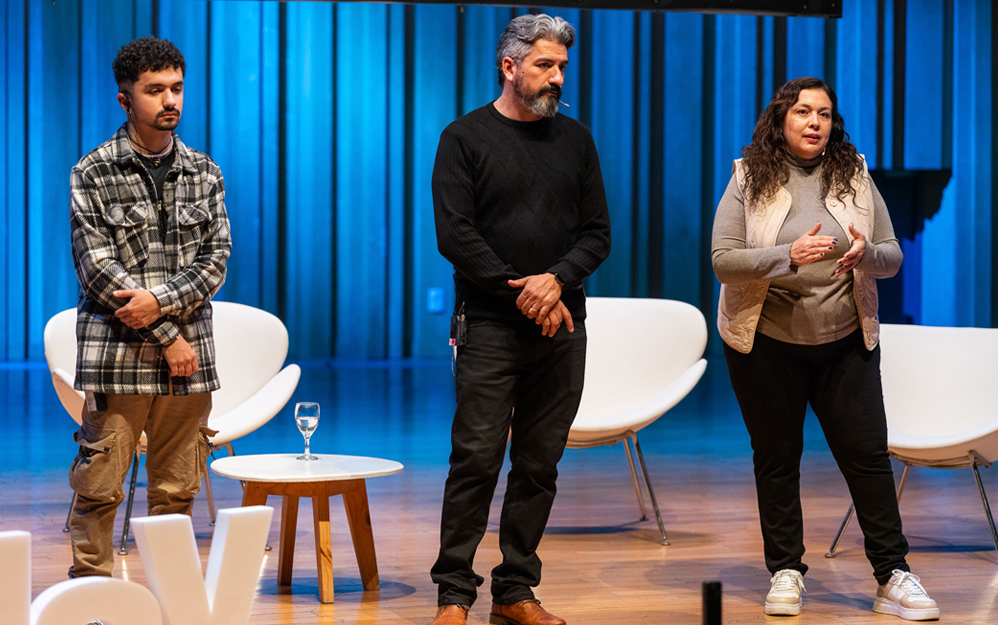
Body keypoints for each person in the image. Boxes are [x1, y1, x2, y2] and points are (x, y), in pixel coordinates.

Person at [711, 77, 938, 621]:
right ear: (781, 119)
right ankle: (786, 570)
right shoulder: (748, 176)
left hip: (845, 341)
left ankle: (892, 575)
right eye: (803, 112)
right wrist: (786, 255)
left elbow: (891, 255)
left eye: (825, 114)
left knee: (867, 458)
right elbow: (724, 261)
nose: (815, 122)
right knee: (776, 458)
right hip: (765, 342)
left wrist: (865, 254)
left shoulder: (854, 173)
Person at [430, 13, 611, 625]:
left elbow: (597, 234)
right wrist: (527, 292)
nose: (557, 77)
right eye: (544, 65)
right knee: (476, 459)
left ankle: (514, 590)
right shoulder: (464, 138)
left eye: (562, 66)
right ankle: (454, 594)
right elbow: (457, 236)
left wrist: (556, 281)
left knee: (538, 464)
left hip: (562, 326)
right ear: (509, 67)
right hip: (488, 326)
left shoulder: (576, 141)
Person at [67, 36, 231, 578]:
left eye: (177, 88)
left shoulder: (205, 172)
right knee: (99, 486)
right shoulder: (93, 171)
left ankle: (170, 594)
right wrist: (168, 336)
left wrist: (158, 302)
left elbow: (215, 262)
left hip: (190, 360)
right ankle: (89, 592)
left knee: (178, 487)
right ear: (125, 99)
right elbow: (98, 270)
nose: (170, 100)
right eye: (155, 90)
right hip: (122, 355)